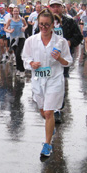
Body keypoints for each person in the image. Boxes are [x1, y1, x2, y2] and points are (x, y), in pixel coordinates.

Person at [22, 8, 73, 157]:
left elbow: (68, 62)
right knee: (43, 111)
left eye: (47, 25)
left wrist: (60, 59)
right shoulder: (31, 41)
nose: (44, 28)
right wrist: (31, 63)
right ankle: (50, 129)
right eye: (41, 25)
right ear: (38, 24)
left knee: (50, 112)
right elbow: (25, 58)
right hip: (38, 81)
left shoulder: (61, 42)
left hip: (54, 80)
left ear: (53, 25)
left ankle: (47, 144)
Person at [48, 0, 83, 123]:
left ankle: (57, 110)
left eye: (58, 6)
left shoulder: (69, 21)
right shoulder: (46, 21)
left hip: (63, 58)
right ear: (50, 8)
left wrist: (69, 42)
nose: (56, 8)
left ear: (62, 7)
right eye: (53, 6)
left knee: (60, 82)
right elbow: (36, 34)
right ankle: (50, 107)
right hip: (48, 58)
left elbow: (78, 36)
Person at [4, 7, 28, 78]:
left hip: (21, 38)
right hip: (13, 39)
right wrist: (9, 31)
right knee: (16, 54)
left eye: (17, 11)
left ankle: (22, 70)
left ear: (19, 12)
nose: (16, 13)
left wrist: (24, 28)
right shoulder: (10, 20)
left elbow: (26, 25)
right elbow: (5, 28)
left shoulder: (22, 19)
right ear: (12, 12)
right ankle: (18, 69)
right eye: (14, 11)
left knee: (18, 53)